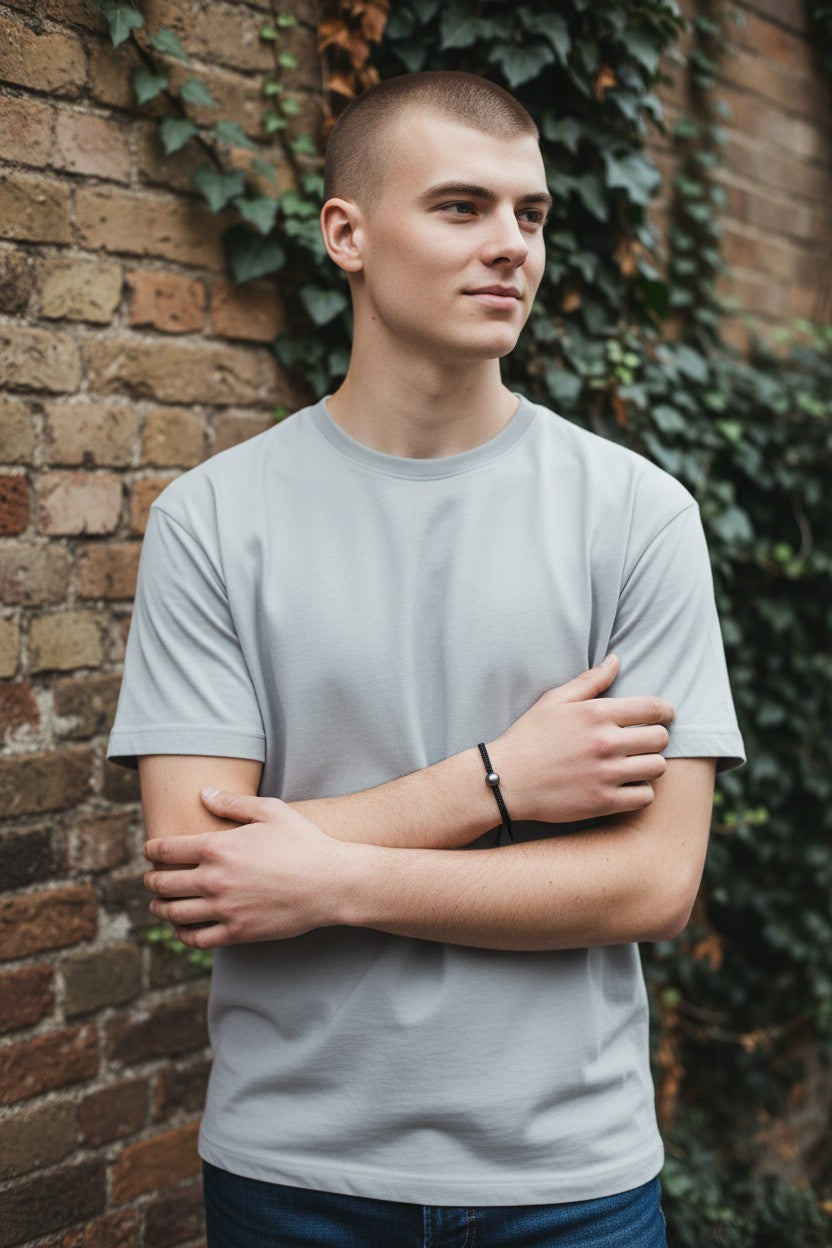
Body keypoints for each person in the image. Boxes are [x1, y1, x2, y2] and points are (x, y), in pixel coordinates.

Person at [109, 71, 744, 1247]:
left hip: (569, 1177)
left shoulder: (635, 514)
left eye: (530, 214)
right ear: (345, 234)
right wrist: (495, 782)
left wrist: (332, 880)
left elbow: (652, 885)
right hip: (294, 1170)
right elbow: (206, 870)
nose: (511, 246)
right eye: (461, 207)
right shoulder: (215, 519)